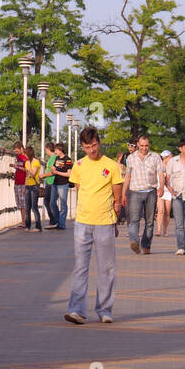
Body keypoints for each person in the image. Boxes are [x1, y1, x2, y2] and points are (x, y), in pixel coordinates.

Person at [64, 126, 124, 325]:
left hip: (105, 222)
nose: (92, 150)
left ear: (99, 143)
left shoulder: (112, 166)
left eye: (95, 145)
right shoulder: (79, 166)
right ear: (82, 147)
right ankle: (76, 310)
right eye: (88, 147)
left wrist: (115, 218)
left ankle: (105, 309)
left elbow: (117, 196)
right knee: (80, 267)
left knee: (106, 268)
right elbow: (80, 190)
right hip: (83, 221)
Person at [123, 134, 165, 254]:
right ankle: (134, 241)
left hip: (151, 191)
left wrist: (161, 186)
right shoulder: (131, 158)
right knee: (133, 219)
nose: (144, 148)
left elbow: (161, 174)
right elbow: (127, 176)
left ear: (149, 145)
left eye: (146, 146)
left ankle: (146, 245)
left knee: (150, 221)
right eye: (141, 145)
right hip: (135, 191)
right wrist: (124, 193)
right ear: (137, 145)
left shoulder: (156, 157)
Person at [45, 143, 73, 229]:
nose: (55, 151)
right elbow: (53, 168)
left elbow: (69, 174)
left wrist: (57, 172)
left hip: (63, 184)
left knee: (63, 204)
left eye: (56, 150)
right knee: (52, 203)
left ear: (60, 150)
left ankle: (61, 224)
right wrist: (53, 169)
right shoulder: (56, 158)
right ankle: (57, 221)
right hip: (55, 183)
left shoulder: (67, 159)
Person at [155, 146, 175, 238]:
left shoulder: (172, 167)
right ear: (165, 157)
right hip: (160, 189)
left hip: (168, 191)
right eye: (170, 157)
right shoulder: (159, 166)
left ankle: (165, 230)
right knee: (161, 210)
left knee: (167, 212)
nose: (171, 159)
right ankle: (158, 229)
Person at [24, 146, 44, 232]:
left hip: (34, 186)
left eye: (25, 153)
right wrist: (24, 186)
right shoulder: (26, 162)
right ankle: (27, 226)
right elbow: (27, 175)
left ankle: (38, 226)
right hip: (28, 186)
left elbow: (32, 174)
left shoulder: (36, 162)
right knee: (27, 207)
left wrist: (28, 166)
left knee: (34, 207)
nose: (24, 155)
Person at [41, 142, 59, 227]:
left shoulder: (53, 158)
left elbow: (52, 172)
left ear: (48, 149)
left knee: (48, 202)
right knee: (51, 202)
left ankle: (54, 220)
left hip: (51, 182)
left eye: (46, 150)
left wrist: (43, 175)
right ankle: (55, 220)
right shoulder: (53, 158)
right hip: (50, 182)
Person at [13, 142, 28, 227]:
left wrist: (17, 167)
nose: (17, 153)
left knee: (23, 203)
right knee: (19, 203)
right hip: (17, 181)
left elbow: (27, 170)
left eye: (17, 151)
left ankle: (24, 222)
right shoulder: (18, 157)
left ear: (22, 148)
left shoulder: (25, 158)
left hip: (23, 182)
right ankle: (23, 221)